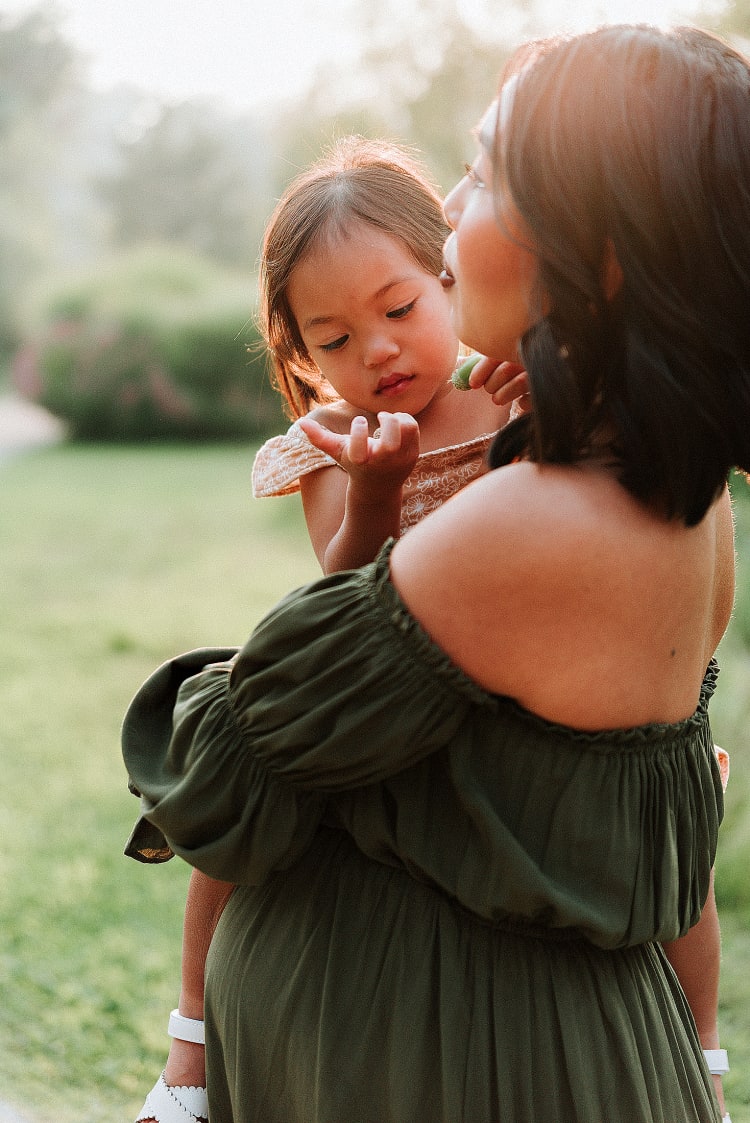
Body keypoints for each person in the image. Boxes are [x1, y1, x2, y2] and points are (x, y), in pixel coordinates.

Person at [122, 24, 748, 1121]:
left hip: (451, 1064)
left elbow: (233, 764)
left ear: (596, 246)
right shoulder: (680, 487)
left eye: (484, 174)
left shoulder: (527, 519)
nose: (449, 211)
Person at [129, 136, 513, 1123]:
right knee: (240, 756)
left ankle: (700, 1059)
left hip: (506, 678)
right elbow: (344, 588)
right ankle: (191, 1048)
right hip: (374, 669)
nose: (375, 351)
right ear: (299, 350)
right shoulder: (328, 443)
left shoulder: (510, 396)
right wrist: (376, 490)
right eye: (333, 340)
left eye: (399, 310)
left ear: (451, 274)